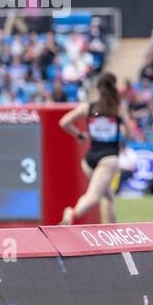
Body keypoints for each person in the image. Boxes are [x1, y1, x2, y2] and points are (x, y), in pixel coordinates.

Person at [58, 72, 137, 224]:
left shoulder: (88, 107)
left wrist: (79, 135)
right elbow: (129, 135)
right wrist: (120, 129)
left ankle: (113, 227)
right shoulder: (118, 109)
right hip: (108, 159)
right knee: (93, 196)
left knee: (108, 196)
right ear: (113, 88)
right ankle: (72, 214)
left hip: (89, 160)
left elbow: (64, 122)